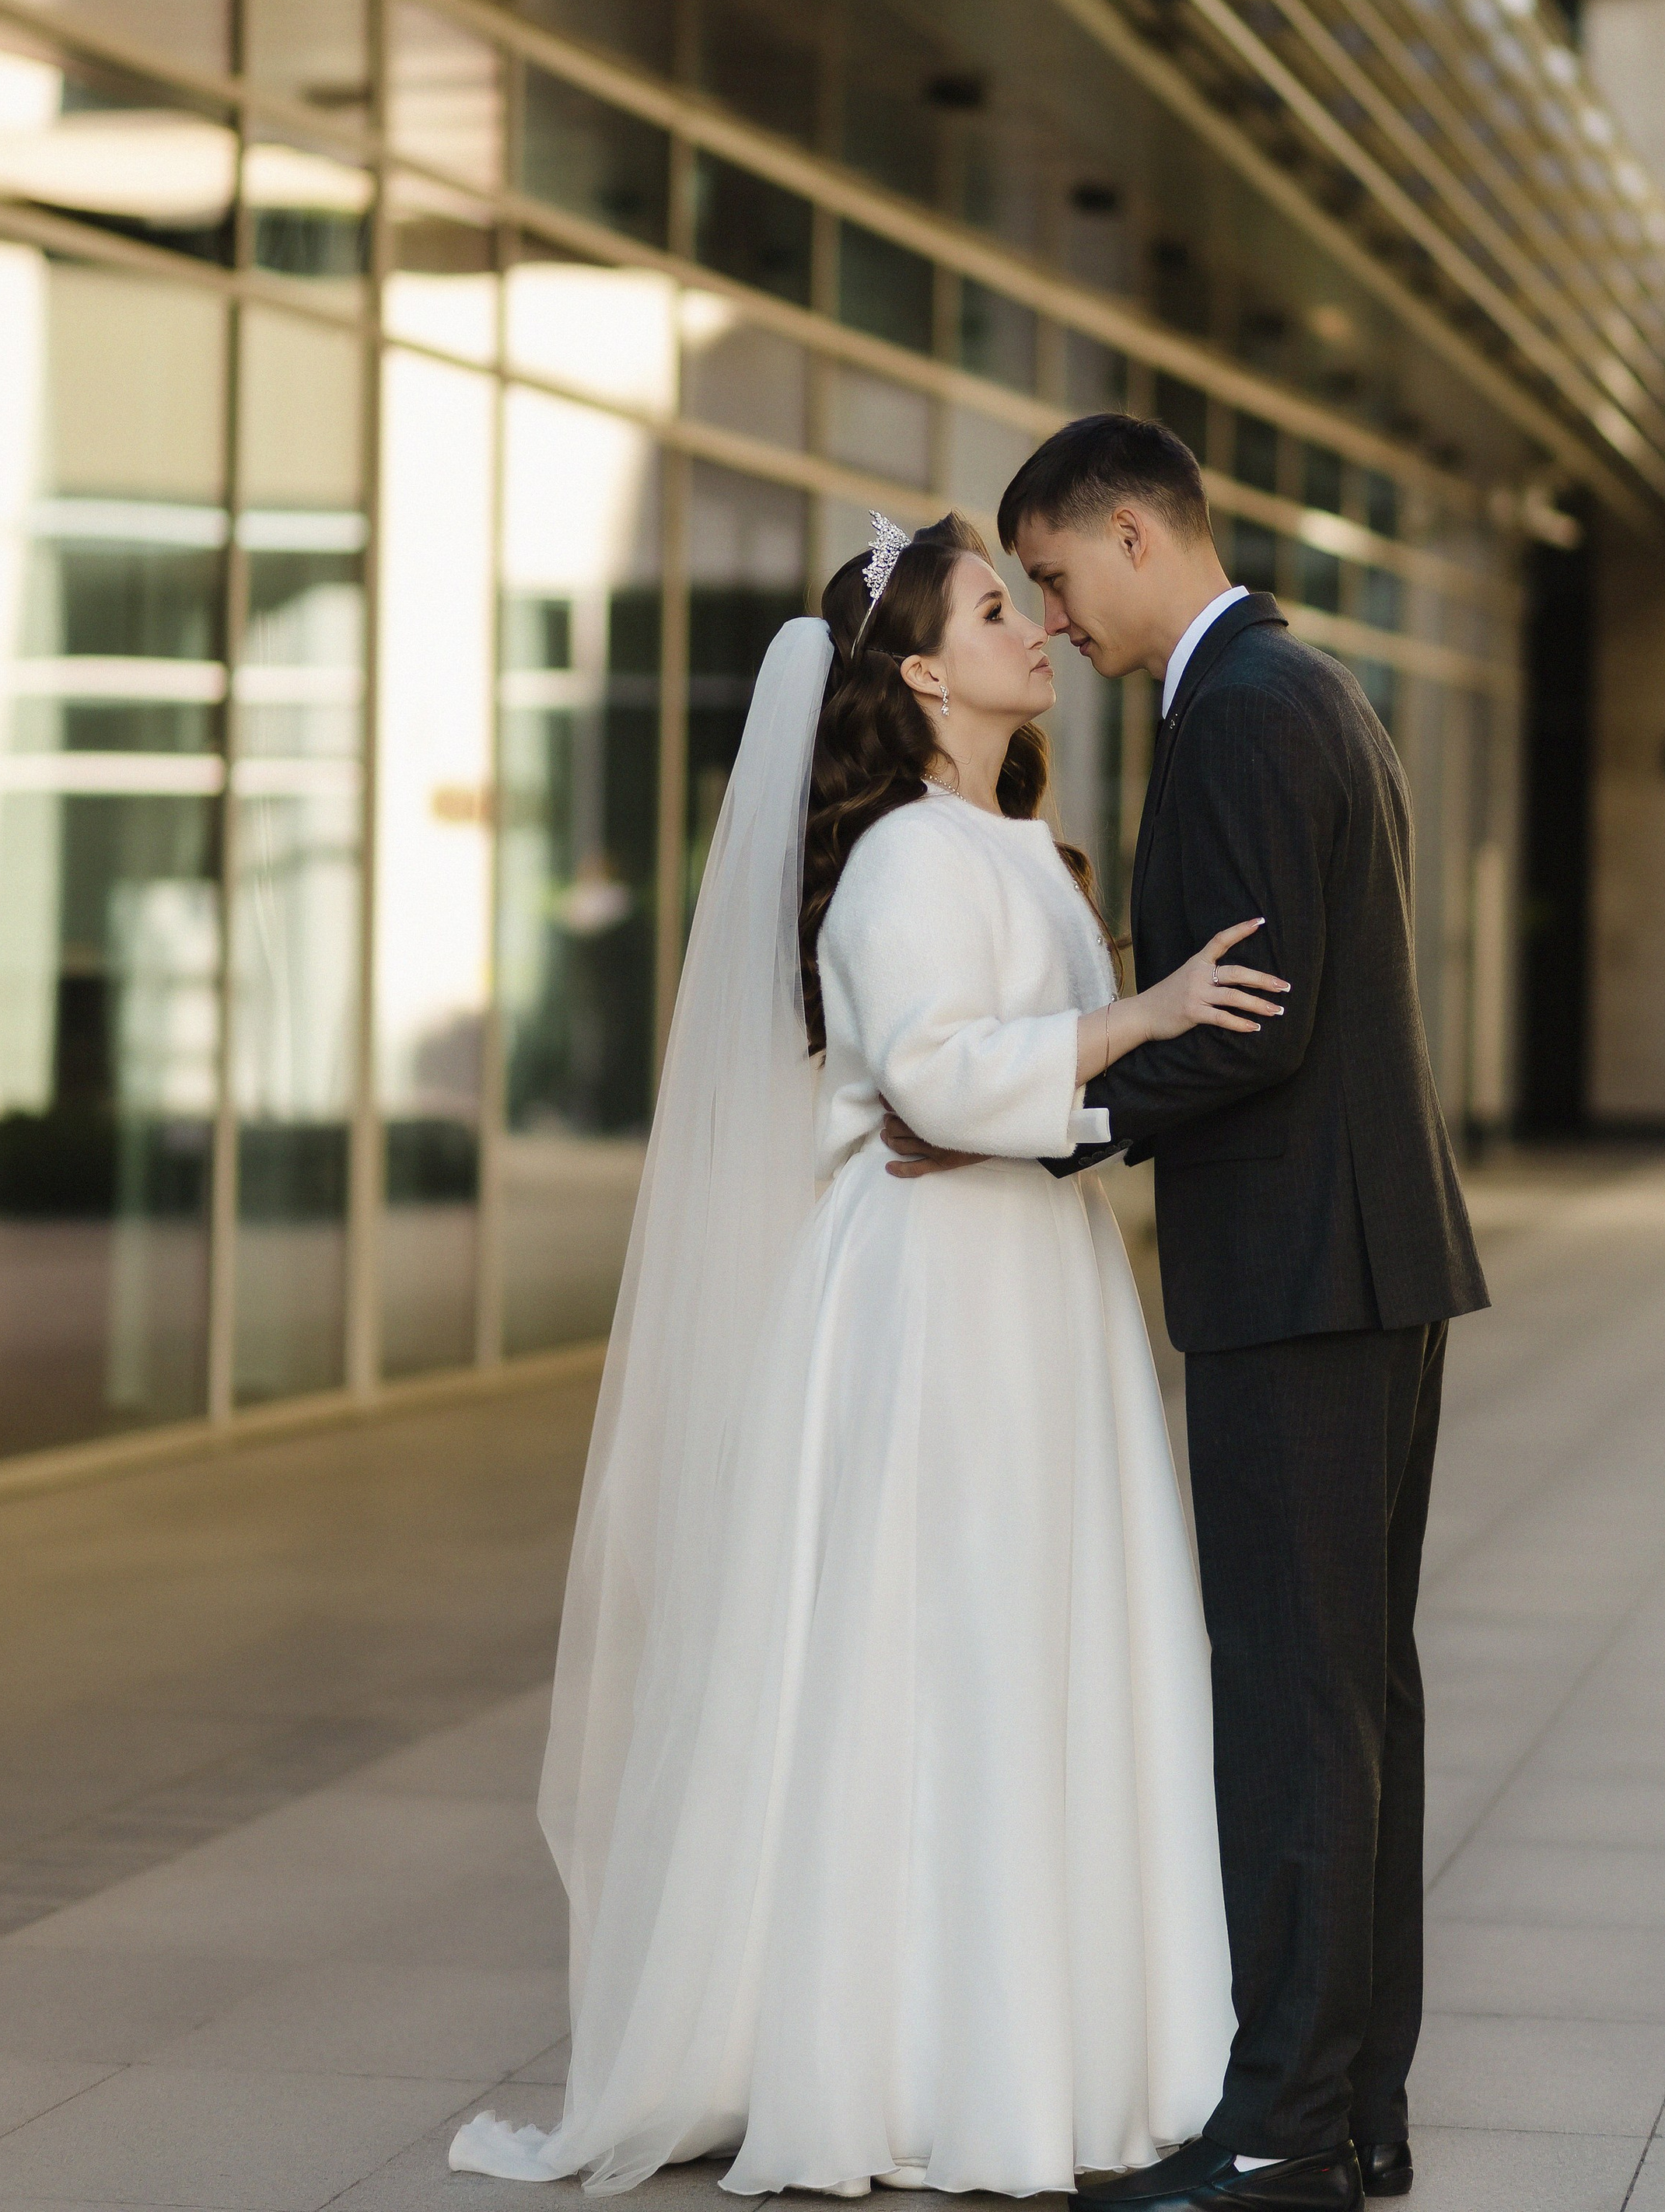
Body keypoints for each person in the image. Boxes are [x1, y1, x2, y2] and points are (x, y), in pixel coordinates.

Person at [449, 509, 1288, 2198]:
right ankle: (917, 2060)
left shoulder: (1017, 842)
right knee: (949, 1651)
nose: (1034, 628)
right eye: (993, 610)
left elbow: (1022, 1091)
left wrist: (1099, 1071)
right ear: (921, 676)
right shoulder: (903, 853)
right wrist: (1136, 1018)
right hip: (934, 1297)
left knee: (1042, 1637)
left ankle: (1054, 2048)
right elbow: (934, 1075)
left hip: (1035, 1276)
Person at [888, 417, 1488, 2212]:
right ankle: (1350, 2110)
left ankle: (1279, 2133)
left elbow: (1249, 1025)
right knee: (1353, 1697)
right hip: (1361, 1268)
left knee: (1299, 1709)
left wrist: (1044, 1126)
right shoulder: (1304, 689)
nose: (1053, 618)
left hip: (1300, 1282)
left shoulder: (1234, 713)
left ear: (1133, 537)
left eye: (1055, 577)